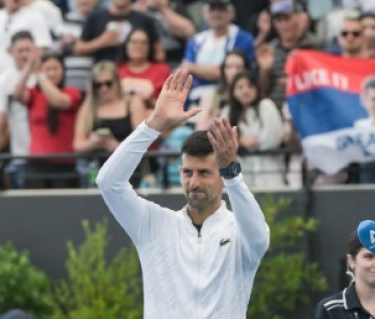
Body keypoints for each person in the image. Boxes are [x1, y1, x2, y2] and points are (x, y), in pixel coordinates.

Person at [96, 69, 270, 316]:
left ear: (223, 178)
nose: (194, 181)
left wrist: (232, 172)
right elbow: (108, 182)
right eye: (187, 172)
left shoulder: (239, 231)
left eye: (204, 173)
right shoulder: (153, 224)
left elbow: (260, 237)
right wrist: (154, 123)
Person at [73, 61, 150, 187]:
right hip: (97, 171)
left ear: (117, 82)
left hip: (129, 171)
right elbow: (78, 145)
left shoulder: (132, 103)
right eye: (98, 85)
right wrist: (93, 143)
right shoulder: (88, 108)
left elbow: (143, 143)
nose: (104, 88)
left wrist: (118, 147)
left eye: (108, 84)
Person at [15, 52, 83, 189]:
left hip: (64, 165)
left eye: (55, 69)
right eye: (48, 69)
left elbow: (58, 101)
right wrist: (29, 67)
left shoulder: (72, 92)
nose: (51, 73)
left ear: (63, 71)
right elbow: (17, 93)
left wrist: (40, 76)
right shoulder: (34, 94)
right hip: (36, 165)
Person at [0, 31, 37, 189]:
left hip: (51, 154)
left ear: (35, 50)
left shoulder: (46, 73)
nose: (25, 55)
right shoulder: (3, 80)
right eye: (20, 50)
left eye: (28, 50)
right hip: (22, 155)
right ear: (10, 51)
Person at [182, 0, 257, 105]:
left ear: (230, 12)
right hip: (196, 99)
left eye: (221, 9)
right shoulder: (196, 41)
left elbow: (234, 73)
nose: (217, 14)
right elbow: (185, 72)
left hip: (229, 97)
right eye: (212, 9)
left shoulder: (243, 38)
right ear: (205, 13)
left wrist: (194, 68)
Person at [221, 71, 286, 189]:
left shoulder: (266, 105)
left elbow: (273, 139)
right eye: (240, 87)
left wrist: (254, 143)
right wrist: (240, 142)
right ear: (233, 92)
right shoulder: (228, 111)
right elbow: (223, 142)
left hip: (268, 167)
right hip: (242, 168)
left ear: (256, 88)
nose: (245, 91)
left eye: (250, 86)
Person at [76, 0, 161, 63]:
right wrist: (101, 42)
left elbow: (159, 53)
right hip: (104, 72)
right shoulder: (94, 18)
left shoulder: (145, 20)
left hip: (136, 72)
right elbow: (79, 49)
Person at [257, 0, 321, 109]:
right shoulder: (270, 49)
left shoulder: (314, 45)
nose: (283, 25)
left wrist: (296, 81)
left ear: (299, 18)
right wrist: (264, 70)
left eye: (287, 18)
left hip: (307, 106)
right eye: (279, 20)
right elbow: (261, 91)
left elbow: (324, 81)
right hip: (276, 108)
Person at [135, 0, 196, 65]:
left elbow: (189, 32)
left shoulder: (176, 6)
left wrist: (163, 9)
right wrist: (139, 14)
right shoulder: (138, 9)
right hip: (146, 62)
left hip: (175, 59)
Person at [196, 50, 251, 131]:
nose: (234, 72)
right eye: (229, 67)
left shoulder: (251, 94)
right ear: (223, 71)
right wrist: (215, 113)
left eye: (239, 67)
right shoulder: (212, 95)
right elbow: (200, 130)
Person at [118, 27, 170, 101]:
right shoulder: (116, 69)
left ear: (150, 47)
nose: (138, 46)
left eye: (143, 43)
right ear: (126, 45)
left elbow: (167, 101)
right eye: (134, 42)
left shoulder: (162, 69)